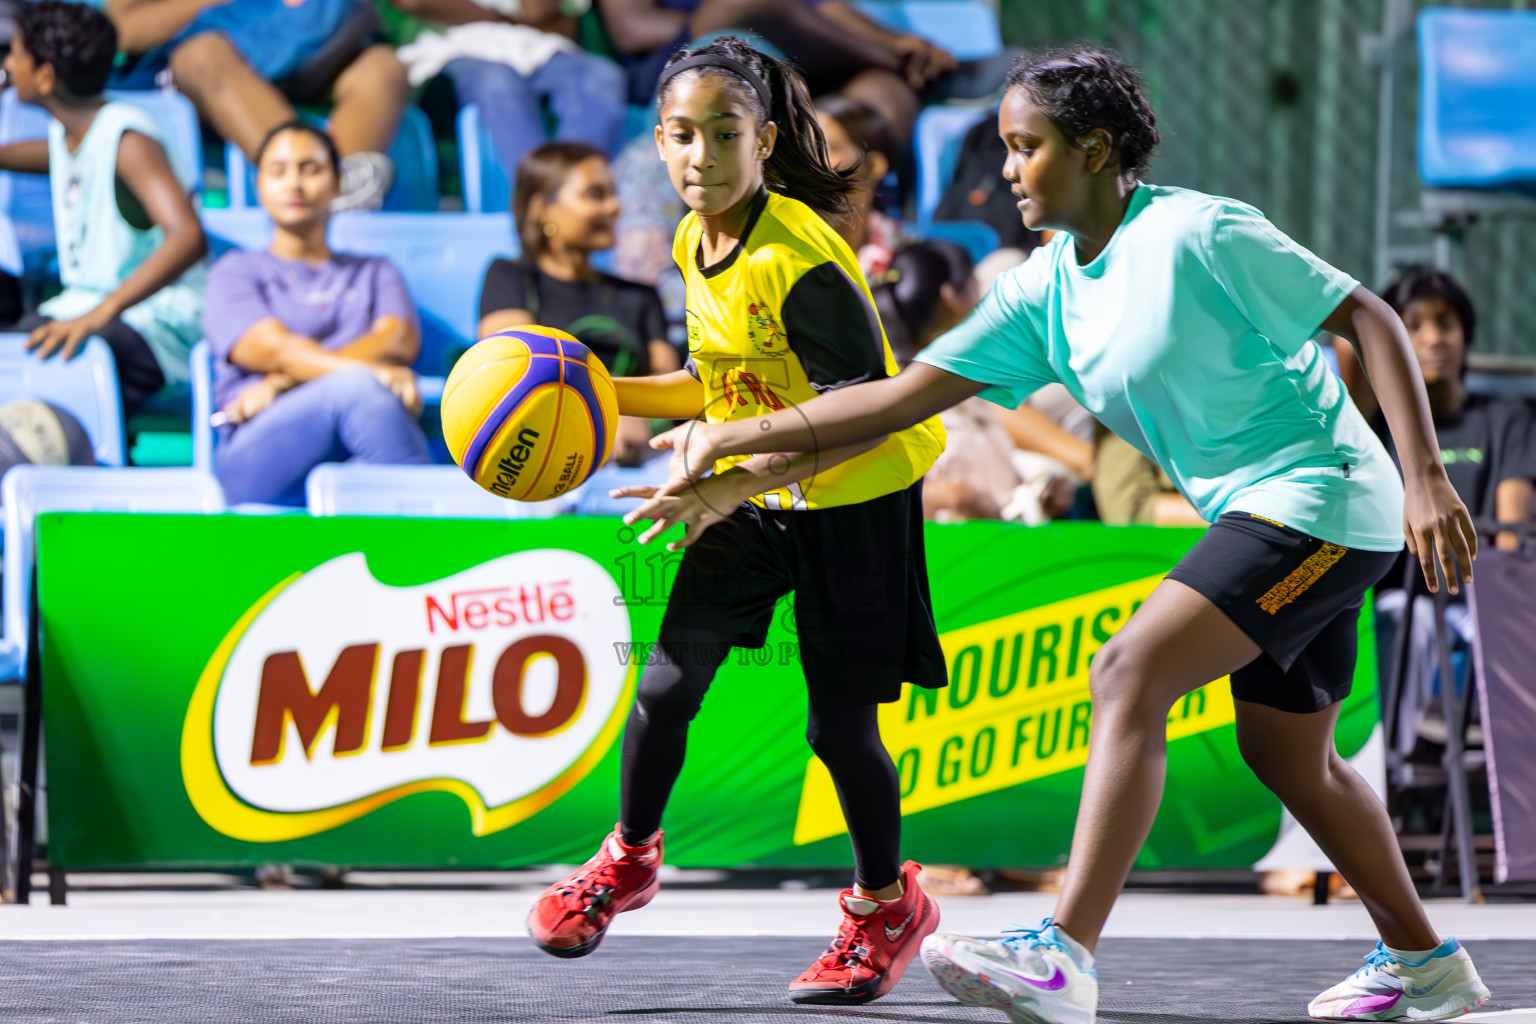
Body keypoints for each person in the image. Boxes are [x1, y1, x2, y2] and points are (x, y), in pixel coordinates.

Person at [631, 43, 1493, 1023]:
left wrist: (1425, 476)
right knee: (1292, 758)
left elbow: (1369, 317)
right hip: (1271, 508)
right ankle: (1426, 960)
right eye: (1002, 145)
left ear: (1091, 151)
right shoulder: (1043, 291)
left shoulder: (1200, 232)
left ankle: (1065, 955)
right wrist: (735, 443)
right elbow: (900, 395)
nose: (1004, 169)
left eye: (1024, 146)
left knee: (1129, 669)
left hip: (1326, 497)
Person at [525, 37, 948, 1006]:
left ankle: (886, 906)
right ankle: (629, 857)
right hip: (760, 490)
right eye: (681, 134)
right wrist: (586, 386)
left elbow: (870, 408)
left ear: (763, 138)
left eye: (724, 134)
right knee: (666, 683)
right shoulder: (692, 236)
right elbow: (721, 384)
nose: (700, 155)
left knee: (842, 732)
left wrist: (725, 477)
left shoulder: (794, 256)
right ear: (659, 141)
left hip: (858, 496)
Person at [1340, 268, 1535, 767]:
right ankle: (1391, 770)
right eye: (1413, 326)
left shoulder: (1506, 418)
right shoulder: (1376, 430)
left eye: (1445, 324)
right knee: (1404, 620)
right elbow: (1345, 348)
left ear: (1466, 336)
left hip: (1478, 602)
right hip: (1403, 604)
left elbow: (1510, 537)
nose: (1432, 339)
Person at [205, 122, 430, 506]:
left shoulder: (375, 271)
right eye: (278, 171)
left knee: (362, 411)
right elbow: (276, 351)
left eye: (310, 168)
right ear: (258, 187)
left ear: (337, 183)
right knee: (357, 390)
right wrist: (368, 372)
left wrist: (282, 383)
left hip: (358, 448)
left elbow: (398, 340)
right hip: (254, 448)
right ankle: (441, 531)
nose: (294, 183)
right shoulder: (235, 270)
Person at [0, 0, 206, 416]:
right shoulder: (74, 132)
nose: (7, 63)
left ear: (44, 76)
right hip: (87, 307)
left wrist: (102, 312)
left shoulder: (129, 141)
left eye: (16, 53)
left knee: (26, 350)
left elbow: (188, 237)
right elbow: (43, 156)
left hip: (151, 327)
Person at [105, 0, 407, 210]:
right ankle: (304, 180)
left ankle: (338, 196)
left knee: (382, 66)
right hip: (196, 73)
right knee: (203, 54)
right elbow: (123, 30)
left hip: (308, 62)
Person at [479, 142, 673, 467]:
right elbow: (511, 373)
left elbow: (666, 388)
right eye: (596, 194)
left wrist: (630, 416)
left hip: (640, 452)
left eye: (614, 194)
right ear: (542, 208)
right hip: (541, 443)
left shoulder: (640, 295)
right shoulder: (509, 277)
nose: (615, 207)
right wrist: (601, 418)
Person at [873, 238, 1087, 524]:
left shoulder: (968, 387)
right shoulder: (890, 401)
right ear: (952, 299)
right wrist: (945, 498)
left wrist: (1043, 493)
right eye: (976, 288)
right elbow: (867, 498)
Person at [598, 0, 954, 138]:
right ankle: (910, 67)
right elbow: (632, 29)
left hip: (786, 59)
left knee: (884, 93)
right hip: (680, 64)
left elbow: (823, 8)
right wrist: (710, 19)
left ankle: (903, 60)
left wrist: (894, 40)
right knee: (732, 8)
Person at [383, 0, 628, 177]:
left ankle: (567, 191)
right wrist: (499, 17)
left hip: (539, 49)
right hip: (447, 52)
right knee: (498, 81)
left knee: (602, 76)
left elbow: (549, 19)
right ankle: (538, 200)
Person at [815, 94, 902, 279]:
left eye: (829, 148)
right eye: (803, 146)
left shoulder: (899, 263)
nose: (810, 160)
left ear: (875, 167)